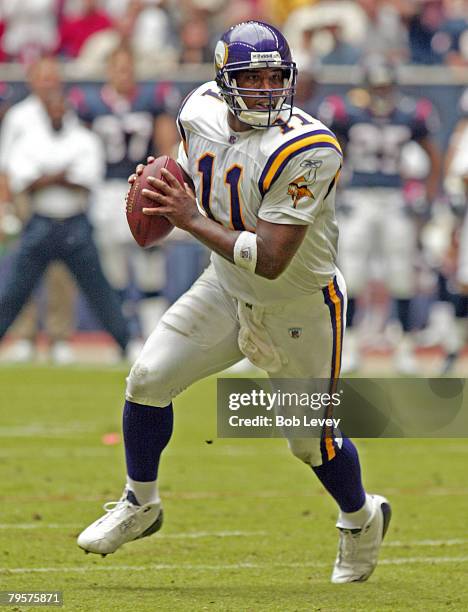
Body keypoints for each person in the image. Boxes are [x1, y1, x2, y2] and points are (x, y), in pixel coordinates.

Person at [77, 21, 391, 584]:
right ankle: (140, 502)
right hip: (225, 285)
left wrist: (189, 218)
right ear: (224, 82)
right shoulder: (197, 110)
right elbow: (196, 173)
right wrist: (158, 187)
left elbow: (272, 257)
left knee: (309, 444)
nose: (268, 89)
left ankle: (361, 517)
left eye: (277, 76)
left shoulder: (310, 148)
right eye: (253, 77)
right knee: (147, 378)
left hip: (299, 304)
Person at [320, 62, 441, 373]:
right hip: (358, 199)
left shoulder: (411, 114)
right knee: (353, 274)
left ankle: (404, 346)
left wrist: (427, 197)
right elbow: (327, 154)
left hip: (395, 198)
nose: (381, 94)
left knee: (401, 274)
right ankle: (349, 347)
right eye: (376, 88)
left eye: (385, 87)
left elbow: (433, 156)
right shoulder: (347, 112)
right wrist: (335, 195)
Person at [0, 90, 131, 358]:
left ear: (68, 110)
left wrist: (46, 176)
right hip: (40, 222)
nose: (58, 112)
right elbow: (22, 181)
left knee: (98, 289)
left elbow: (87, 180)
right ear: (46, 111)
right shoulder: (31, 139)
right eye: (53, 107)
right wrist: (61, 175)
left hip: (75, 223)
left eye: (62, 108)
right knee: (14, 291)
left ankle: (126, 343)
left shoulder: (84, 139)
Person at [70, 45, 179, 340]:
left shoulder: (151, 99)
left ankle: (152, 334)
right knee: (114, 269)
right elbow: (80, 146)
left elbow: (166, 146)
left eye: (128, 68)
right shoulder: (90, 103)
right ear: (108, 70)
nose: (123, 74)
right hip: (106, 189)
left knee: (150, 264)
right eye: (118, 68)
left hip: (141, 186)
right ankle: (123, 335)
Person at [0, 56, 78, 363]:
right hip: (25, 197)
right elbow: (5, 164)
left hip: (61, 196)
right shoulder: (19, 116)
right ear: (32, 81)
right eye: (42, 77)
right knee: (23, 268)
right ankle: (25, 334)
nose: (48, 83)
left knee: (61, 268)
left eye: (53, 77)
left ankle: (59, 337)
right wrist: (5, 203)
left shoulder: (67, 113)